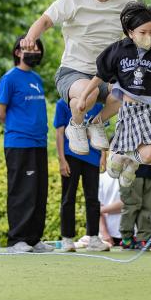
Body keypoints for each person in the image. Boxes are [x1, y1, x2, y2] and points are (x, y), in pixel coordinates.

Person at [21, 0, 136, 155]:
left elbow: (139, 29)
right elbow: (46, 20)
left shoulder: (128, 1)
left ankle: (97, 123)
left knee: (130, 91)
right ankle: (75, 125)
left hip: (107, 74)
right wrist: (31, 37)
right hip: (74, 72)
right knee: (87, 94)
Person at [75, 2, 151, 188]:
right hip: (131, 110)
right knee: (150, 153)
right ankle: (120, 154)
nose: (149, 37)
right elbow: (100, 76)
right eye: (143, 32)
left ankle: (129, 160)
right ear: (130, 32)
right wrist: (83, 97)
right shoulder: (119, 50)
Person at [0, 35, 53, 254]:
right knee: (22, 191)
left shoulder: (37, 79)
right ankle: (17, 240)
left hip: (39, 143)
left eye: (38, 49)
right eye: (30, 48)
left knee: (39, 191)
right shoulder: (9, 78)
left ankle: (33, 238)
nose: (35, 52)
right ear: (18, 52)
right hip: (19, 144)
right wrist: (20, 127)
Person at [54, 98, 109, 252]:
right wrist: (61, 160)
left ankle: (93, 238)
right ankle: (67, 239)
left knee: (93, 199)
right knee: (68, 197)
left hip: (92, 157)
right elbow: (59, 133)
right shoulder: (63, 104)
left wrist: (104, 155)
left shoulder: (97, 104)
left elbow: (101, 129)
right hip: (70, 155)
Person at [119, 164, 151, 249]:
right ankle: (127, 238)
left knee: (147, 206)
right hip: (130, 170)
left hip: (150, 170)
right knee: (131, 206)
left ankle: (144, 238)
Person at [98, 171, 123, 247]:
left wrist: (100, 210)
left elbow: (129, 203)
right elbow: (96, 205)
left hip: (131, 237)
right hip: (107, 238)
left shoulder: (135, 176)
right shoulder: (101, 177)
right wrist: (104, 232)